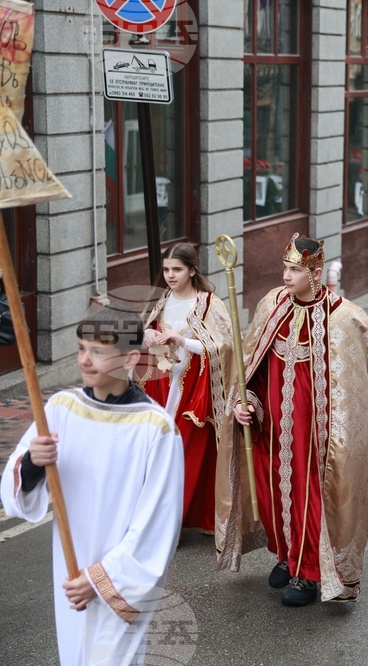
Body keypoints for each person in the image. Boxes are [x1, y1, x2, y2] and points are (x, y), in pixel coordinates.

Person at [1, 307, 183, 664]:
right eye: (82, 348)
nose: (84, 360)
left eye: (98, 351)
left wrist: (101, 578)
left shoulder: (155, 428)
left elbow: (158, 523)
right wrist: (34, 464)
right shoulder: (60, 408)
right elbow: (16, 484)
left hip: (122, 579)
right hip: (69, 569)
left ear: (130, 357)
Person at [229, 234, 368, 606]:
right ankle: (286, 554)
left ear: (315, 273)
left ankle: (309, 573)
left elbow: (363, 380)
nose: (285, 276)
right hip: (274, 427)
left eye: (294, 270)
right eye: (285, 268)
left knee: (308, 497)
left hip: (315, 434)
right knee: (274, 492)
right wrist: (245, 400)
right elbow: (253, 366)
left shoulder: (345, 319)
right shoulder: (272, 305)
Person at [137, 243, 235, 538]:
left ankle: (170, 525)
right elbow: (139, 337)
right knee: (157, 454)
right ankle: (156, 517)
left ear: (192, 270)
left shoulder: (209, 304)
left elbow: (224, 346)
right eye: (166, 269)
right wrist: (148, 334)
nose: (170, 275)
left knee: (183, 455)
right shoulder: (161, 300)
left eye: (177, 269)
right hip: (159, 387)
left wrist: (183, 341)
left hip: (195, 389)